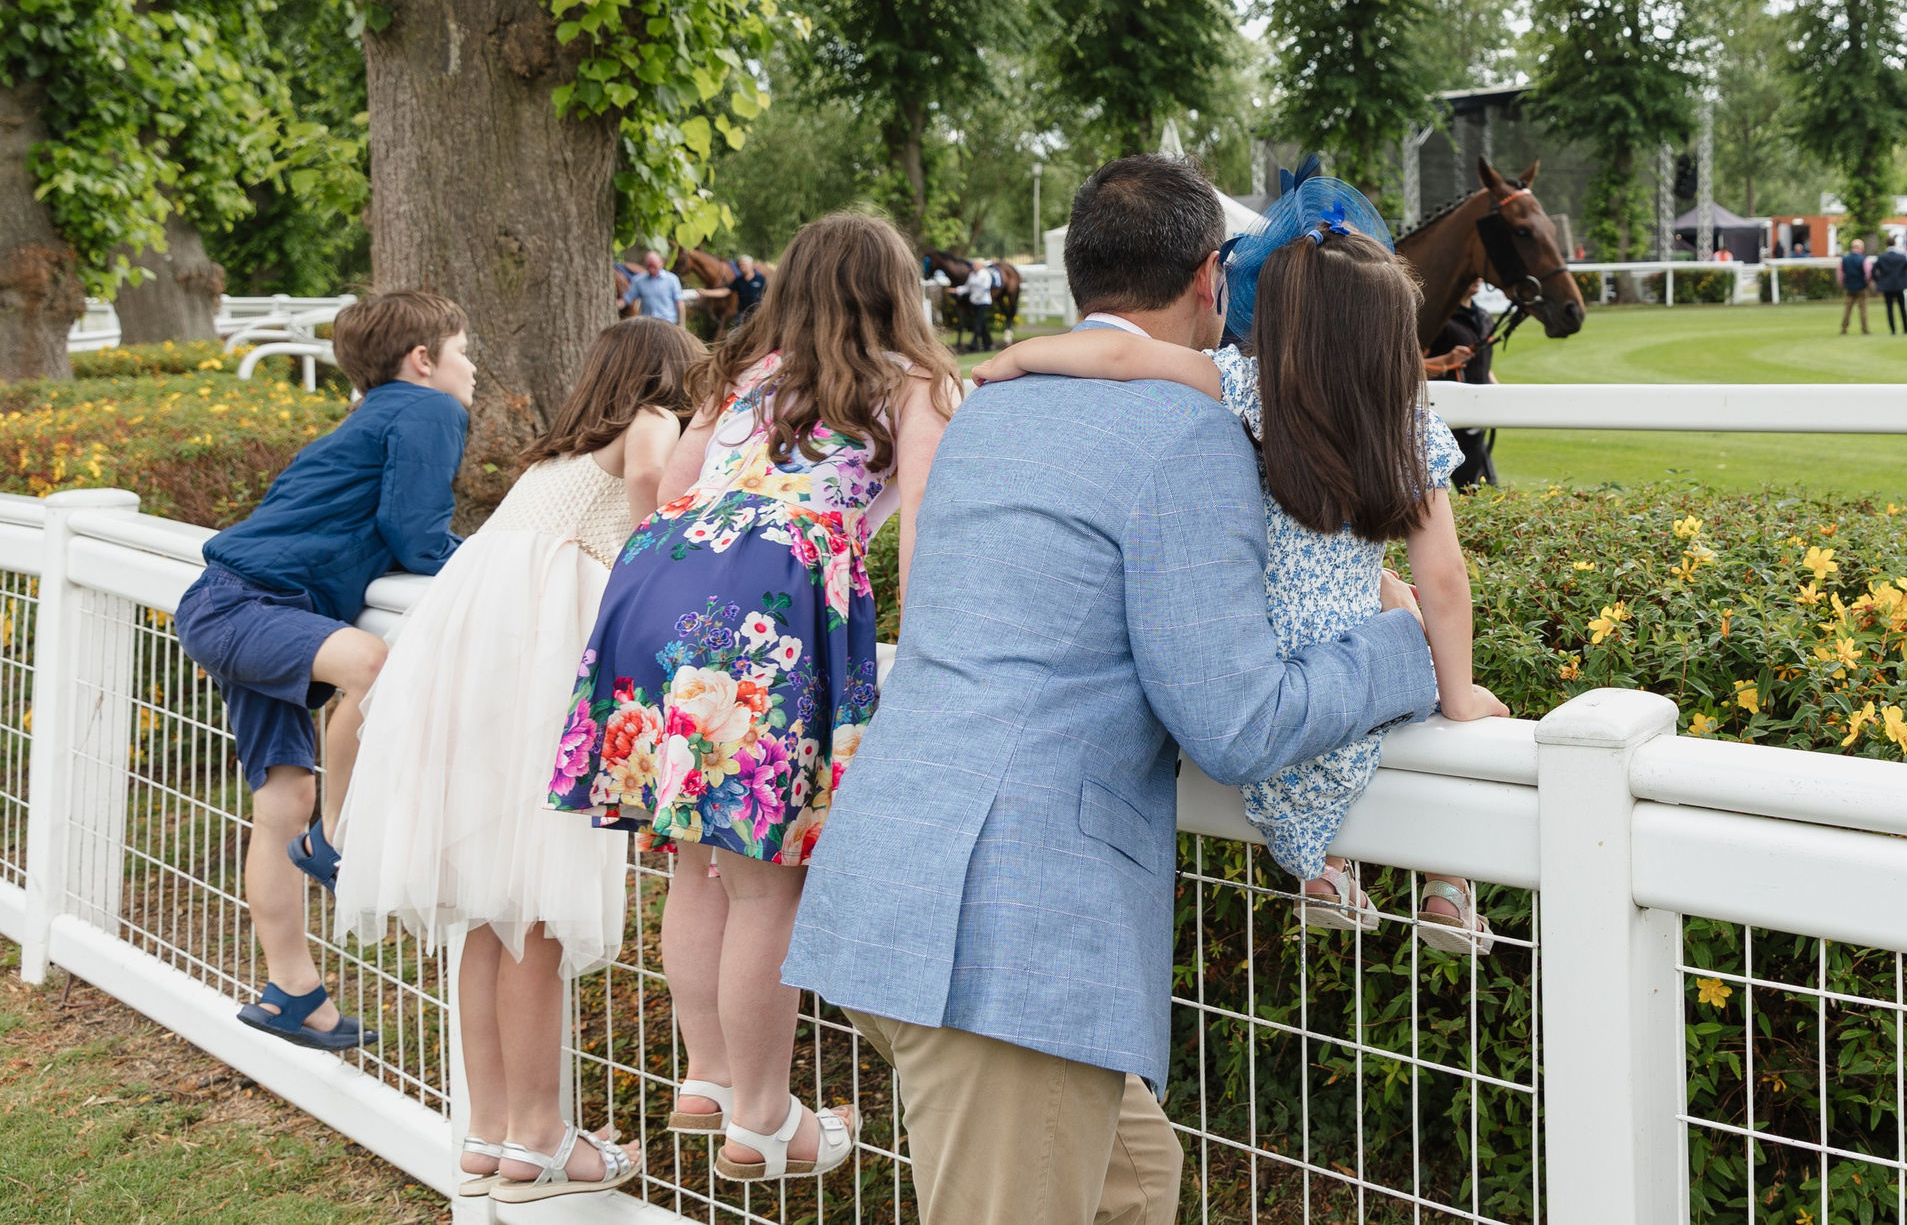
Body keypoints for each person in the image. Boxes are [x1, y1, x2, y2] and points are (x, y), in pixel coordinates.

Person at [782, 155, 1440, 1225]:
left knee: (1137, 1184)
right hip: (1004, 945)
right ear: (1207, 279)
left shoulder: (993, 404)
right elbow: (1239, 718)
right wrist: (1401, 651)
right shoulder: (1183, 435)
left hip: (898, 887)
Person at [975, 173, 1508, 952]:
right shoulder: (1408, 422)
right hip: (1345, 658)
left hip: (1260, 663)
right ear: (1394, 331)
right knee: (1409, 639)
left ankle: (1323, 870)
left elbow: (1124, 361)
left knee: (1383, 616)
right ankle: (1449, 884)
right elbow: (1446, 581)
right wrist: (1455, 694)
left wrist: (1022, 353)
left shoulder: (1241, 387)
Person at [548, 213, 958, 1184]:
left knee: (698, 861)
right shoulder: (912, 383)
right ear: (898, 288)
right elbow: (926, 532)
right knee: (768, 875)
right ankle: (764, 1120)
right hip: (769, 598)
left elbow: (676, 489)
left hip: (659, 580)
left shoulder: (741, 379)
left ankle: (708, 1074)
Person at [334, 318, 700, 1205]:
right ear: (660, 378)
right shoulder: (649, 420)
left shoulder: (556, 459)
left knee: (489, 916)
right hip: (537, 679)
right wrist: (666, 568)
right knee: (533, 909)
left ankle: (492, 1135)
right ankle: (539, 1138)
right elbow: (655, 472)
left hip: (473, 678)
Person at [170, 292, 473, 1050]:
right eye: (466, 353)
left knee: (283, 799)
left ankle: (292, 992)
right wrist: (491, 569)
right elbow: (417, 534)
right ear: (424, 361)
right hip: (250, 605)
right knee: (372, 662)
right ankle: (336, 836)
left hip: (233, 603)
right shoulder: (425, 408)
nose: (474, 372)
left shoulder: (374, 411)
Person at [1425, 291, 1501, 489]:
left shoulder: (1484, 317)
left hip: (1475, 423)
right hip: (1438, 422)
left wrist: (1497, 392)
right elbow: (1405, 368)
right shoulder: (1433, 318)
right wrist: (1446, 361)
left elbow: (1484, 365)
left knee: (1483, 492)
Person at [627, 249, 684, 324]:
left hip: (667, 322)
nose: (651, 269)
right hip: (647, 323)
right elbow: (627, 299)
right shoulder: (639, 281)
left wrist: (682, 324)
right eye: (648, 266)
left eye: (653, 266)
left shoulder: (672, 279)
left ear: (661, 263)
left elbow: (679, 303)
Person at [1872, 240, 1907, 335]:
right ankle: (1906, 329)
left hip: (1887, 286)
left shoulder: (1882, 257)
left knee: (1889, 308)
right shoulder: (1901, 257)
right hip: (1899, 285)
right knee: (1902, 308)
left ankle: (1893, 330)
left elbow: (1873, 270)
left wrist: (1879, 281)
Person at [961, 258, 997, 354]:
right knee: (982, 323)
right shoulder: (972, 275)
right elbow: (967, 287)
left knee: (978, 322)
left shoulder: (985, 274)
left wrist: (976, 298)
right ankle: (988, 343)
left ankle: (974, 343)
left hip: (983, 302)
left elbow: (985, 288)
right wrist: (956, 290)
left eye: (976, 264)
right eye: (973, 265)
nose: (974, 266)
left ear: (981, 265)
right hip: (975, 302)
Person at [1837, 238, 1871, 335]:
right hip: (1861, 287)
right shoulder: (1863, 259)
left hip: (1849, 287)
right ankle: (1865, 329)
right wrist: (1866, 284)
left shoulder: (1845, 259)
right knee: (1862, 309)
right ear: (1860, 248)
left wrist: (1843, 284)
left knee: (1847, 309)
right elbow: (1868, 273)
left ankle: (1844, 328)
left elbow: (1840, 274)